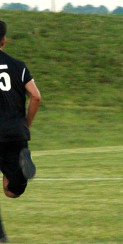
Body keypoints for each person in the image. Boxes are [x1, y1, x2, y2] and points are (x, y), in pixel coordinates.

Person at [0, 20, 40, 242]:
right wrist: (26, 124)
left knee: (7, 191)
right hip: (16, 133)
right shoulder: (18, 65)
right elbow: (36, 96)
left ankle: (1, 236)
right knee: (12, 191)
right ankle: (20, 169)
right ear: (4, 41)